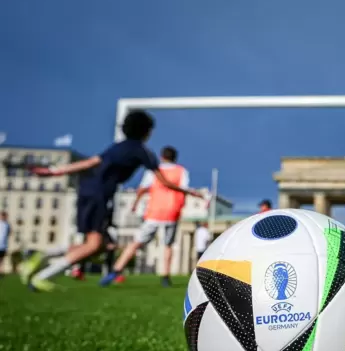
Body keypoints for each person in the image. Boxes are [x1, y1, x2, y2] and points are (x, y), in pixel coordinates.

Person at [20, 110, 202, 291]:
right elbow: (164, 182)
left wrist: (55, 171)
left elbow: (90, 162)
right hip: (101, 195)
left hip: (86, 190)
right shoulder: (143, 152)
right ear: (146, 131)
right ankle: (42, 277)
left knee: (99, 245)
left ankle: (41, 255)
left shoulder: (118, 146)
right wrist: (190, 193)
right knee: (94, 245)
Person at [100, 146, 192, 288]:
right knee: (168, 245)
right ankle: (165, 277)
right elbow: (184, 189)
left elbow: (142, 188)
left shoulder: (154, 171)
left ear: (162, 157)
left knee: (136, 242)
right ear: (175, 157)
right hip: (172, 212)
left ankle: (115, 270)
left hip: (154, 212)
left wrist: (135, 203)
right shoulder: (181, 171)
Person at [0, 212, 9, 276]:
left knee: (1, 260)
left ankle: (1, 271)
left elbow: (8, 234)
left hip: (3, 246)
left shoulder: (7, 225)